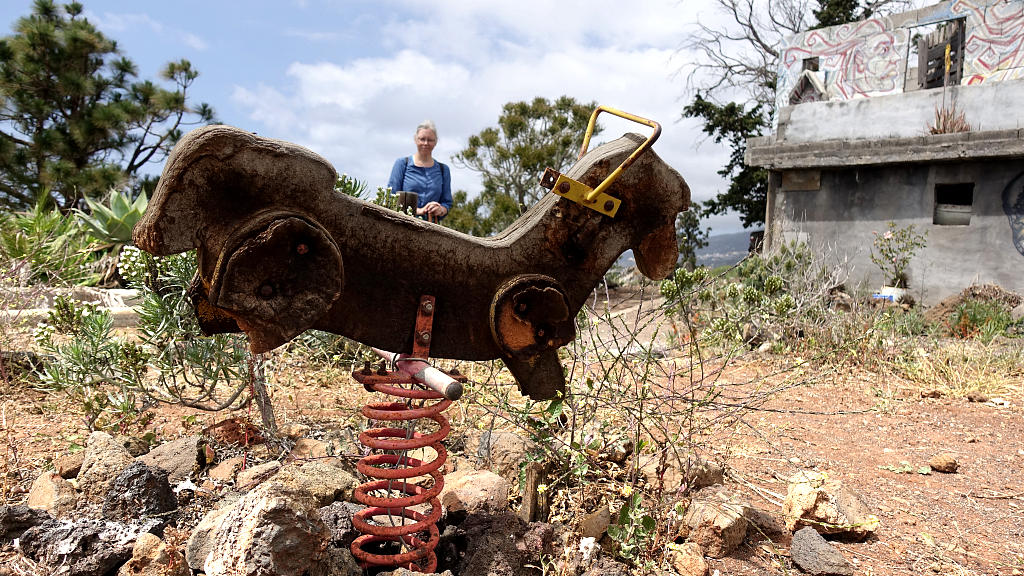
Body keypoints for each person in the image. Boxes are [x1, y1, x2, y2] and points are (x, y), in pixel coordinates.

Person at [387, 120, 452, 222]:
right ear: (415, 139)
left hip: (431, 227)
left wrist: (440, 209)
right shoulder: (402, 164)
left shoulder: (443, 170)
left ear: (436, 141)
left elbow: (447, 203)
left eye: (430, 140)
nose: (425, 143)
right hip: (403, 223)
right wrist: (419, 211)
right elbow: (391, 198)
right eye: (422, 139)